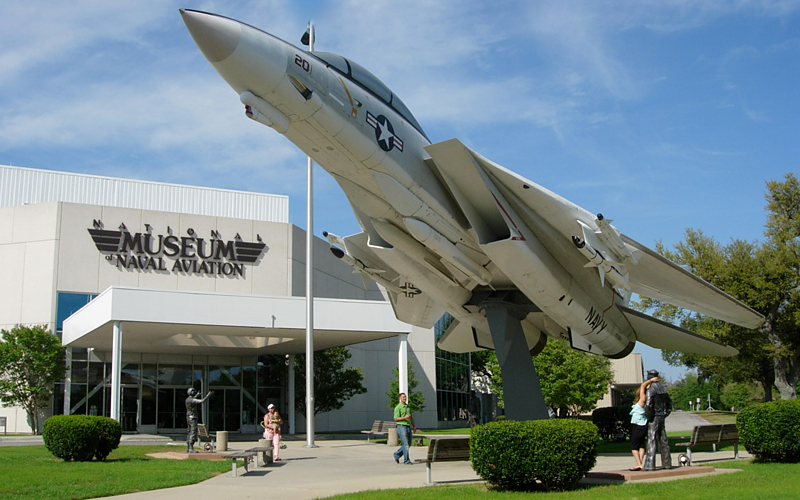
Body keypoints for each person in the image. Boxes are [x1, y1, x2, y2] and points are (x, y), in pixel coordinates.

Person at [643, 369, 673, 470]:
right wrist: (665, 414)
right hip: (661, 416)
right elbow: (669, 403)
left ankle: (650, 464)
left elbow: (648, 404)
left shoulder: (651, 389)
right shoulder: (663, 388)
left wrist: (649, 416)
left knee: (651, 440)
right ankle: (667, 463)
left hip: (654, 416)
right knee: (663, 439)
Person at [629, 375, 658, 471]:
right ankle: (640, 463)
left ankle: (639, 464)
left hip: (639, 426)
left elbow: (642, 386)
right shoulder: (643, 402)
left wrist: (650, 380)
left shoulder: (642, 400)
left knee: (634, 446)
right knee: (641, 445)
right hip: (642, 425)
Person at [185, 388, 213, 453]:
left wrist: (197, 395)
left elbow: (194, 399)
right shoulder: (192, 400)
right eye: (193, 391)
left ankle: (188, 447)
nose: (194, 391)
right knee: (193, 432)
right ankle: (191, 447)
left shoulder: (187, 399)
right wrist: (208, 395)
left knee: (189, 432)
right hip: (193, 417)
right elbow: (202, 401)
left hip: (188, 417)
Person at [392, 392, 417, 465]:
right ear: (400, 398)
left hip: (408, 427)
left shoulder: (408, 407)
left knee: (408, 444)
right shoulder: (398, 407)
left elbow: (411, 417)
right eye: (403, 397)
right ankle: (406, 461)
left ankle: (397, 454)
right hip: (401, 426)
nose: (405, 398)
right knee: (405, 444)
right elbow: (396, 418)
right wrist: (404, 418)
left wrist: (414, 426)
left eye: (405, 397)